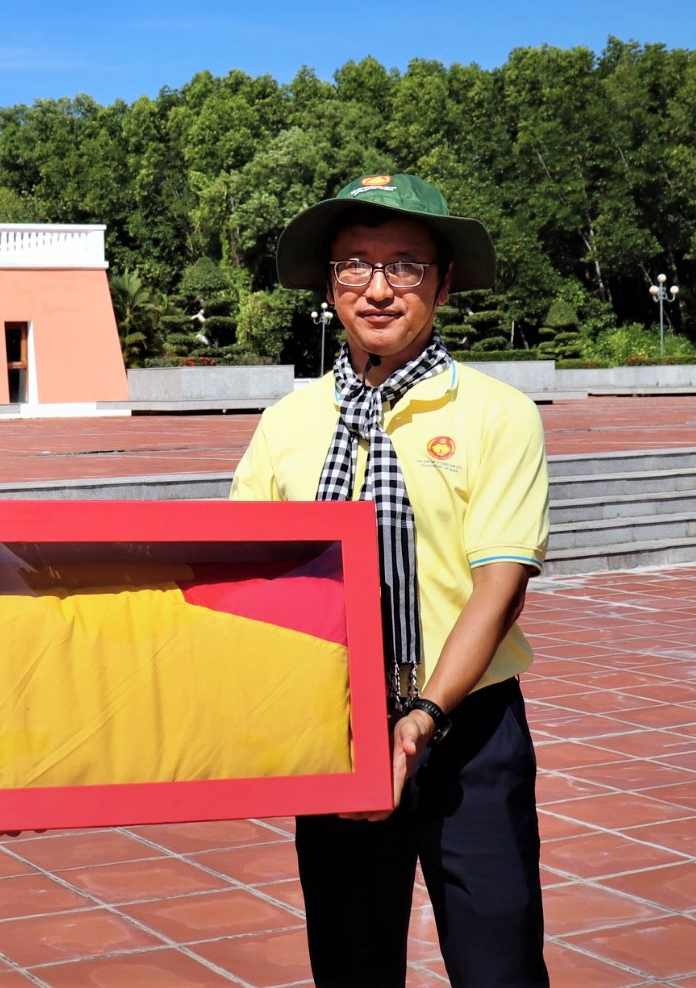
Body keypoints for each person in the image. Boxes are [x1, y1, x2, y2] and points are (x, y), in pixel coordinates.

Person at [230, 173, 550, 987]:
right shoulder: (288, 423)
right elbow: (247, 575)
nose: (377, 289)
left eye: (404, 265)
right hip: (333, 728)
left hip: (467, 729)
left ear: (443, 282)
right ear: (327, 284)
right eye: (354, 265)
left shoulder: (495, 413)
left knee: (498, 964)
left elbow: (500, 583)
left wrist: (422, 718)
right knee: (350, 963)